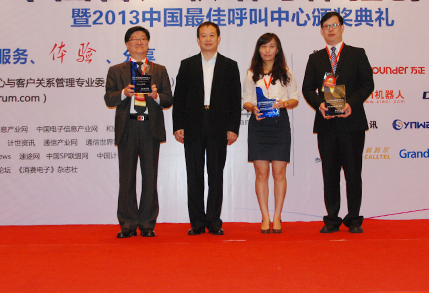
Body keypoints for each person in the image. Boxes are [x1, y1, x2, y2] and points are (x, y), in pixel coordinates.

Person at [302, 11, 374, 234]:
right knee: (330, 174)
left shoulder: (357, 54)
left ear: (342, 27)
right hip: (327, 124)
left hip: (352, 123)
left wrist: (350, 103)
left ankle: (354, 219)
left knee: (353, 173)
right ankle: (332, 219)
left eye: (334, 25)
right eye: (326, 26)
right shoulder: (315, 58)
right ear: (321, 31)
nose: (330, 29)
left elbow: (368, 84)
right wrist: (320, 104)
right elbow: (307, 88)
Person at [173, 21, 241, 236]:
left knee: (215, 174)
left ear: (219, 39)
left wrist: (233, 127)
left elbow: (235, 100)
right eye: (204, 35)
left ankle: (213, 221)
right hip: (192, 124)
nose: (208, 39)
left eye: (212, 35)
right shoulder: (187, 64)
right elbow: (179, 98)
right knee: (194, 175)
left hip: (218, 124)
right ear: (198, 40)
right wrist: (178, 125)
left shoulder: (230, 65)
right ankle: (197, 222)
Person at [104, 26, 173, 238]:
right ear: (127, 45)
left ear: (148, 43)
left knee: (150, 177)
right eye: (134, 39)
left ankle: (147, 224)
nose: (139, 42)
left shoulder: (159, 70)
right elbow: (109, 98)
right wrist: (123, 93)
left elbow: (169, 99)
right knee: (126, 177)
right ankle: (127, 223)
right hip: (128, 127)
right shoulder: (116, 70)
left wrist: (156, 96)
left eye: (143, 38)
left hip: (150, 128)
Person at [242, 33, 299, 234]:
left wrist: (285, 103)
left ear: (277, 49)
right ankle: (265, 216)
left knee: (279, 173)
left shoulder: (286, 72)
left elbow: (295, 98)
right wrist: (252, 108)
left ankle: (277, 216)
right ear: (258, 50)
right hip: (258, 125)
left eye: (271, 46)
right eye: (263, 46)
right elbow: (246, 100)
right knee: (261, 173)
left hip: (279, 123)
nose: (267, 50)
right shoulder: (251, 73)